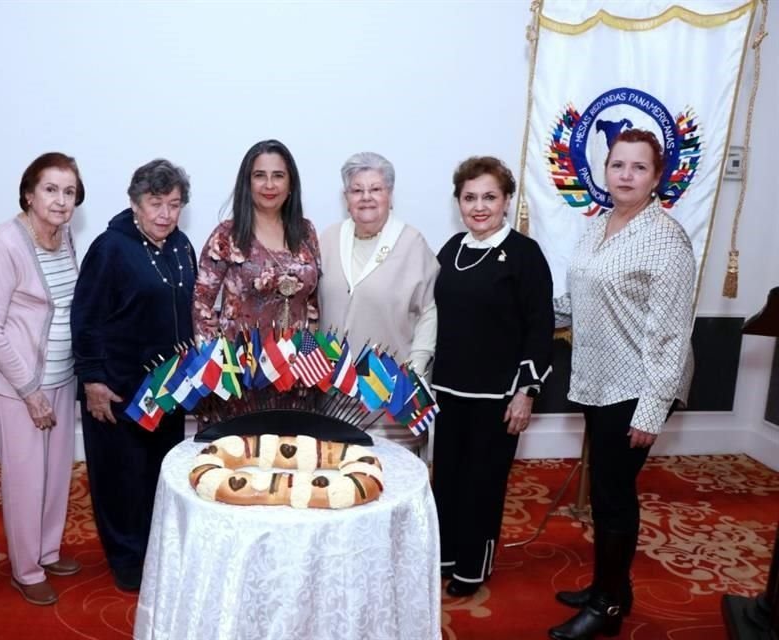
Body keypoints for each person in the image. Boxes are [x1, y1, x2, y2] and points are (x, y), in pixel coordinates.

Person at [548, 129, 695, 640]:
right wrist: (525, 315)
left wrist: (652, 409)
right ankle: (611, 588)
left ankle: (608, 607)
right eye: (617, 165)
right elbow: (576, 301)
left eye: (638, 167)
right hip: (597, 378)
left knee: (613, 494)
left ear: (657, 178)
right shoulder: (597, 226)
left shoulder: (666, 238)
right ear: (604, 171)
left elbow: (672, 332)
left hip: (638, 384)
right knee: (608, 491)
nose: (626, 175)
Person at [431, 156, 554, 598]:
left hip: (497, 396)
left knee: (482, 483)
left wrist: (526, 392)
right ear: (458, 202)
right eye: (469, 197)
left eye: (489, 197)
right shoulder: (451, 249)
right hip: (447, 390)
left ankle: (471, 566)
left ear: (506, 201)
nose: (479, 206)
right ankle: (444, 554)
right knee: (446, 478)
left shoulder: (525, 255)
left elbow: (541, 328)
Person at [71, 159, 195, 592]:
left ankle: (155, 552)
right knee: (121, 480)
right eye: (154, 202)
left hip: (167, 389)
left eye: (174, 204)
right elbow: (85, 319)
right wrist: (93, 380)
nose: (164, 213)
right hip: (119, 389)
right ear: (135, 203)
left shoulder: (181, 247)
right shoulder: (110, 247)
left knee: (159, 476)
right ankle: (126, 560)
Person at [0, 152, 85, 606]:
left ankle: (47, 548)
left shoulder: (65, 237)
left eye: (70, 192)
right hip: (18, 387)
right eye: (51, 189)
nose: (61, 201)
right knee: (25, 479)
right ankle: (25, 567)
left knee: (56, 474)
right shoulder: (5, 242)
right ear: (29, 192)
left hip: (62, 378)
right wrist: (28, 390)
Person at [318, 151, 439, 453]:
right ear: (346, 198)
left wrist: (418, 364)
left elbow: (430, 309)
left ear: (390, 195)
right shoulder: (329, 239)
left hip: (391, 388)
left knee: (391, 475)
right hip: (337, 386)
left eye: (376, 189)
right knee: (339, 470)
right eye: (357, 190)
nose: (366, 197)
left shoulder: (412, 242)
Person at [194, 139, 320, 339]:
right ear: (247, 183)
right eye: (259, 176)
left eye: (278, 176)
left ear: (291, 184)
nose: (269, 185)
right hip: (242, 363)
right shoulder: (225, 236)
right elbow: (201, 308)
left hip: (297, 362)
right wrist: (217, 362)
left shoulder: (306, 231)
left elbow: (312, 305)